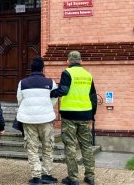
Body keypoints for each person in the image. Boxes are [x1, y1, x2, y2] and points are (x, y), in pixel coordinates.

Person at [50, 51, 97, 185]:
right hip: (85, 114)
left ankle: (73, 178)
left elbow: (64, 90)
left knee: (70, 146)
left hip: (69, 115)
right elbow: (93, 96)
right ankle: (90, 176)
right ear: (81, 61)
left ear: (68, 61)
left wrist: (52, 93)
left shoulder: (67, 73)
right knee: (86, 146)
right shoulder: (88, 75)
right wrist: (92, 114)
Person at [16, 56, 58, 185]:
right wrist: (46, 107)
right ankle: (47, 174)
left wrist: (28, 109)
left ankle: (36, 176)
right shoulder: (51, 82)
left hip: (28, 120)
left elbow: (19, 100)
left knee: (32, 148)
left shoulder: (22, 83)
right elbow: (54, 99)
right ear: (42, 68)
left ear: (31, 68)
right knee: (47, 146)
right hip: (46, 119)